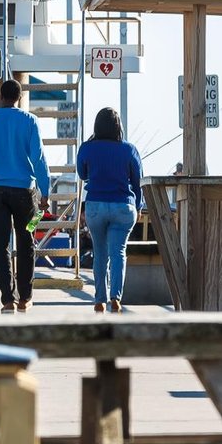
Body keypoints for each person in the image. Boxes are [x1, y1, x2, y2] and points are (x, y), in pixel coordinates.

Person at [0, 80, 51, 312]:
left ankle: (8, 298)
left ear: (1, 95)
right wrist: (45, 192)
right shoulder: (29, 121)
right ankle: (25, 297)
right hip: (24, 194)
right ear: (19, 97)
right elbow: (39, 159)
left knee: (0, 244)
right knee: (26, 242)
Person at [77, 107, 144, 313]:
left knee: (100, 254)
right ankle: (115, 297)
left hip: (96, 206)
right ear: (119, 127)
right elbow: (138, 181)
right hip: (123, 206)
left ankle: (99, 300)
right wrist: (139, 205)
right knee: (118, 253)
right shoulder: (129, 149)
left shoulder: (87, 148)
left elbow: (82, 173)